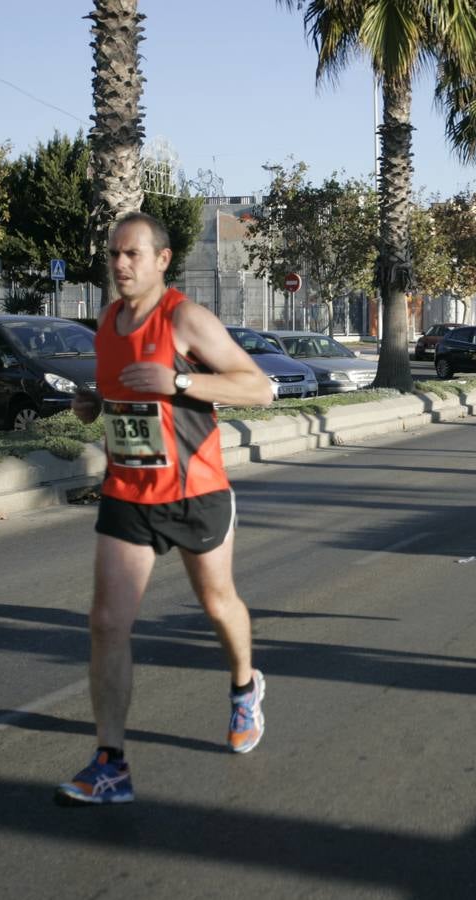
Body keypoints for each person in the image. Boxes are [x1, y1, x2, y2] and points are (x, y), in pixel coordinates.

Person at [56, 212, 275, 806]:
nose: (120, 264)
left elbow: (258, 387)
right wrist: (95, 406)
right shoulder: (107, 323)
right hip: (128, 493)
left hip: (195, 491)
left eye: (132, 254)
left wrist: (179, 382)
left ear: (162, 260)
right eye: (114, 254)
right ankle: (111, 764)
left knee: (217, 603)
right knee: (107, 623)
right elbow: (127, 398)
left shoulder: (185, 319)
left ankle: (244, 686)